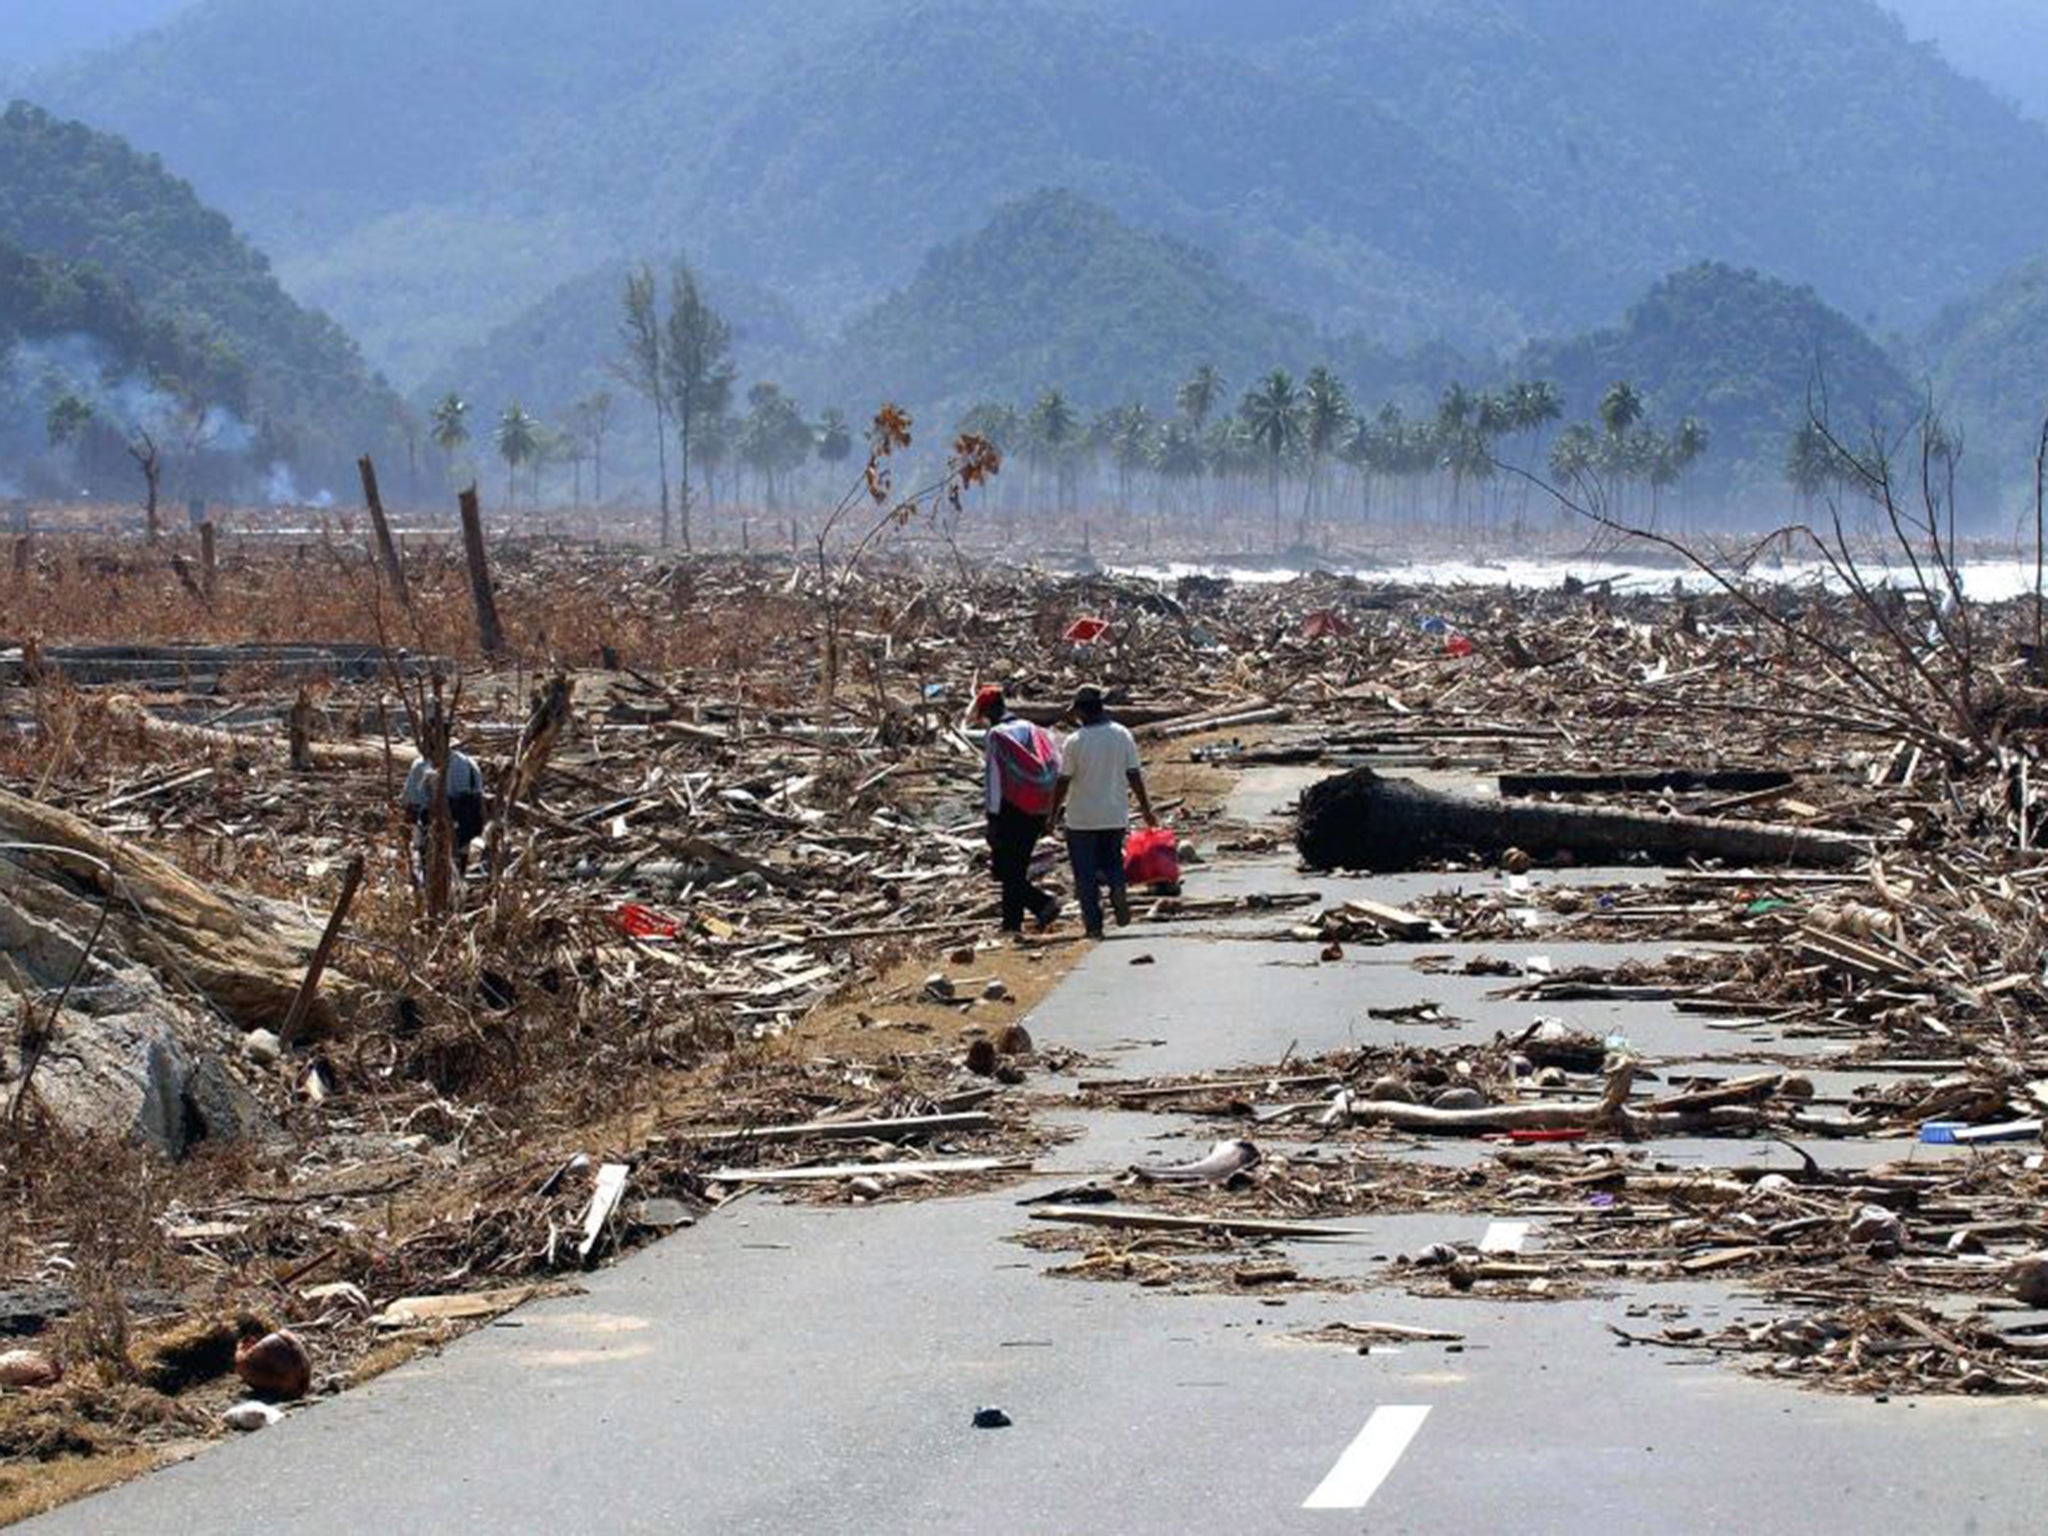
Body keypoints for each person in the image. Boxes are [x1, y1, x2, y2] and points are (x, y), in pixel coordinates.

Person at [1050, 684, 1158, 939]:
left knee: (1084, 873)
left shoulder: (1075, 742)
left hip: (1081, 818)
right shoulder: (1122, 735)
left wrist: (1052, 814)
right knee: (1112, 861)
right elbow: (1133, 774)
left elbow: (1063, 780)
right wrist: (1146, 809)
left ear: (1083, 712)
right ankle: (1118, 887)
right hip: (1113, 814)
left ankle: (1094, 925)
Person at [970, 686, 1063, 933]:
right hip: (1038, 807)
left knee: (1005, 870)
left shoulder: (997, 735)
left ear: (988, 710)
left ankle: (1043, 903)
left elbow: (994, 780)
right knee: (1016, 867)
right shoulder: (1033, 729)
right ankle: (1012, 924)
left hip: (1010, 810)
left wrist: (992, 817)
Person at [403, 746, 486, 876]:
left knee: (431, 871)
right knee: (459, 867)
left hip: (432, 826)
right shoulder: (469, 763)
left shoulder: (421, 765)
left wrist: (408, 834)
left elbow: (412, 802)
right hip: (464, 827)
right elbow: (479, 798)